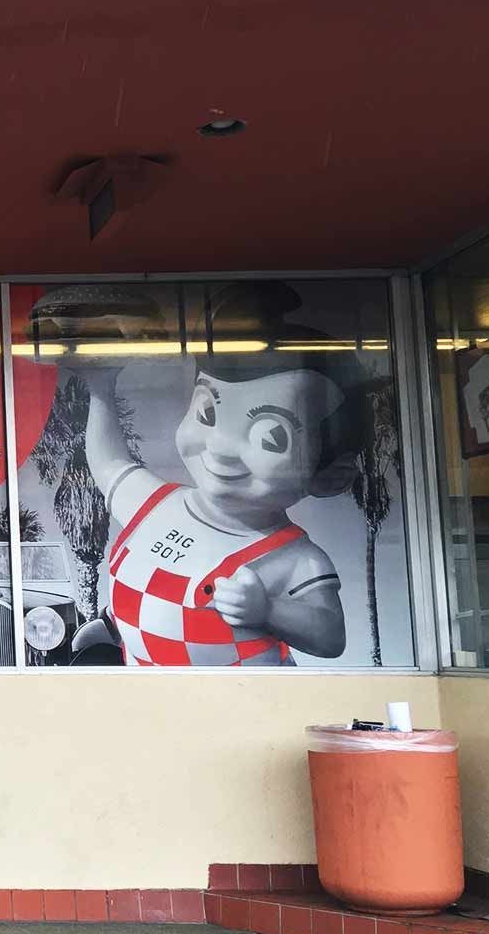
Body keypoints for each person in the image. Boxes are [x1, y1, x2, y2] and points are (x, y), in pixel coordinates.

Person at [49, 283, 367, 665]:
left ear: (331, 475)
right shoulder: (155, 504)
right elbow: (109, 463)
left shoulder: (294, 558)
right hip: (140, 699)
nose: (220, 446)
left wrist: (268, 611)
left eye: (270, 437)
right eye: (207, 414)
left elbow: (330, 636)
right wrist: (101, 386)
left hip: (236, 708)